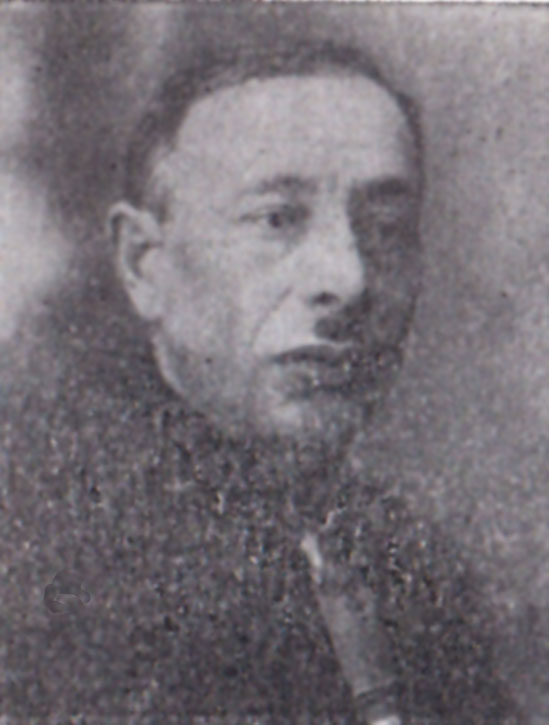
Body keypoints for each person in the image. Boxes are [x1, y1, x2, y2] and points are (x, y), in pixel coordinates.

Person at [1, 36, 518, 723]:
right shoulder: (48, 565)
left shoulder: (415, 569)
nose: (350, 278)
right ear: (143, 264)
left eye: (387, 226)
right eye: (277, 219)